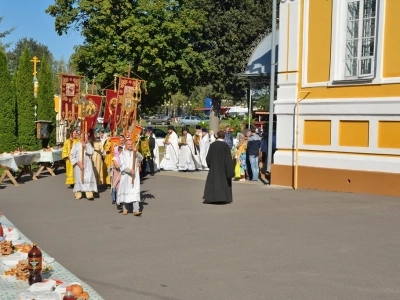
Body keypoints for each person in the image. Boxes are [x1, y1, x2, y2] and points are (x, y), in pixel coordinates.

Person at [203, 130, 234, 204]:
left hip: (214, 168)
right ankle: (223, 197)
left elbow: (208, 158)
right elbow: (228, 159)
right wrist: (230, 170)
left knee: (214, 182)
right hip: (223, 168)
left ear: (217, 136)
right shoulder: (226, 146)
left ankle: (213, 198)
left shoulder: (212, 145)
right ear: (224, 136)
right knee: (223, 182)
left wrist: (211, 166)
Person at [117, 139, 144, 216]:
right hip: (126, 176)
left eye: (131, 144)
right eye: (129, 144)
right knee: (126, 191)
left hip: (134, 176)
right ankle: (125, 208)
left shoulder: (134, 152)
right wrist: (129, 170)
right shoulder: (122, 154)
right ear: (125, 145)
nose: (130, 145)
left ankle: (136, 210)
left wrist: (136, 152)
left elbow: (141, 158)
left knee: (134, 191)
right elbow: (122, 165)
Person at [69, 132, 98, 200]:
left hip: (87, 165)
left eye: (86, 137)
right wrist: (78, 163)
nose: (85, 138)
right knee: (79, 178)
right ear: (80, 137)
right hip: (78, 165)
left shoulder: (88, 145)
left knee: (88, 177)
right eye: (83, 137)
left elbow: (91, 152)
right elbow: (72, 156)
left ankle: (88, 192)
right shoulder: (76, 145)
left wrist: (85, 146)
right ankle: (78, 192)